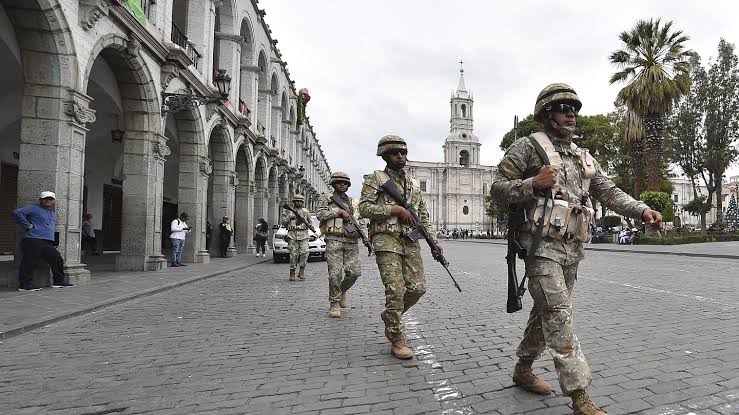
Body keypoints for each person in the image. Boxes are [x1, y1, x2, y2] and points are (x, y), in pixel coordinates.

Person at [492, 83, 663, 415]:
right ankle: (579, 394)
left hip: (572, 248)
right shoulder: (526, 148)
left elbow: (609, 192)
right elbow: (497, 188)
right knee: (558, 315)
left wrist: (642, 210)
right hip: (540, 247)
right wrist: (531, 183)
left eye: (574, 108)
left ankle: (523, 368)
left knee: (546, 314)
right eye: (562, 108)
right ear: (546, 114)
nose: (571, 113)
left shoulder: (583, 157)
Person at [359, 135, 442, 360]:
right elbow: (364, 208)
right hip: (386, 239)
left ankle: (390, 315)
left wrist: (434, 242)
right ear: (385, 155)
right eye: (396, 153)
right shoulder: (375, 179)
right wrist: (393, 210)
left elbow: (423, 216)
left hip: (410, 240)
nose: (401, 156)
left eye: (403, 153)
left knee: (417, 288)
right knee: (395, 290)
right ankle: (396, 337)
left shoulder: (414, 185)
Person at [316, 171, 361, 318]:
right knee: (335, 274)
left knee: (354, 273)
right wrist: (338, 212)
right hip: (334, 238)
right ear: (334, 184)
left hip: (351, 240)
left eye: (345, 183)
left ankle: (342, 291)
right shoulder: (326, 199)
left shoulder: (352, 201)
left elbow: (358, 219)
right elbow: (320, 215)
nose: (342, 184)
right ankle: (334, 303)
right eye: (339, 182)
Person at [13, 191, 73, 290]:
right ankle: (25, 285)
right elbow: (16, 212)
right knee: (30, 261)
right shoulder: (34, 208)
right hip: (33, 239)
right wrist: (27, 225)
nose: (48, 200)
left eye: (50, 199)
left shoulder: (52, 213)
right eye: (45, 199)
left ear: (53, 201)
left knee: (57, 259)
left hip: (47, 242)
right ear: (40, 200)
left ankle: (59, 282)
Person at [282, 195, 311, 281]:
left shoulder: (306, 211)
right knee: (293, 255)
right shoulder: (288, 211)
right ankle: (292, 272)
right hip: (292, 235)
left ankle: (301, 271)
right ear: (294, 202)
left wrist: (308, 225)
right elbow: (283, 223)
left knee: (305, 253)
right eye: (297, 201)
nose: (299, 203)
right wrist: (289, 217)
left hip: (304, 235)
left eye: (300, 201)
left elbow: (310, 223)